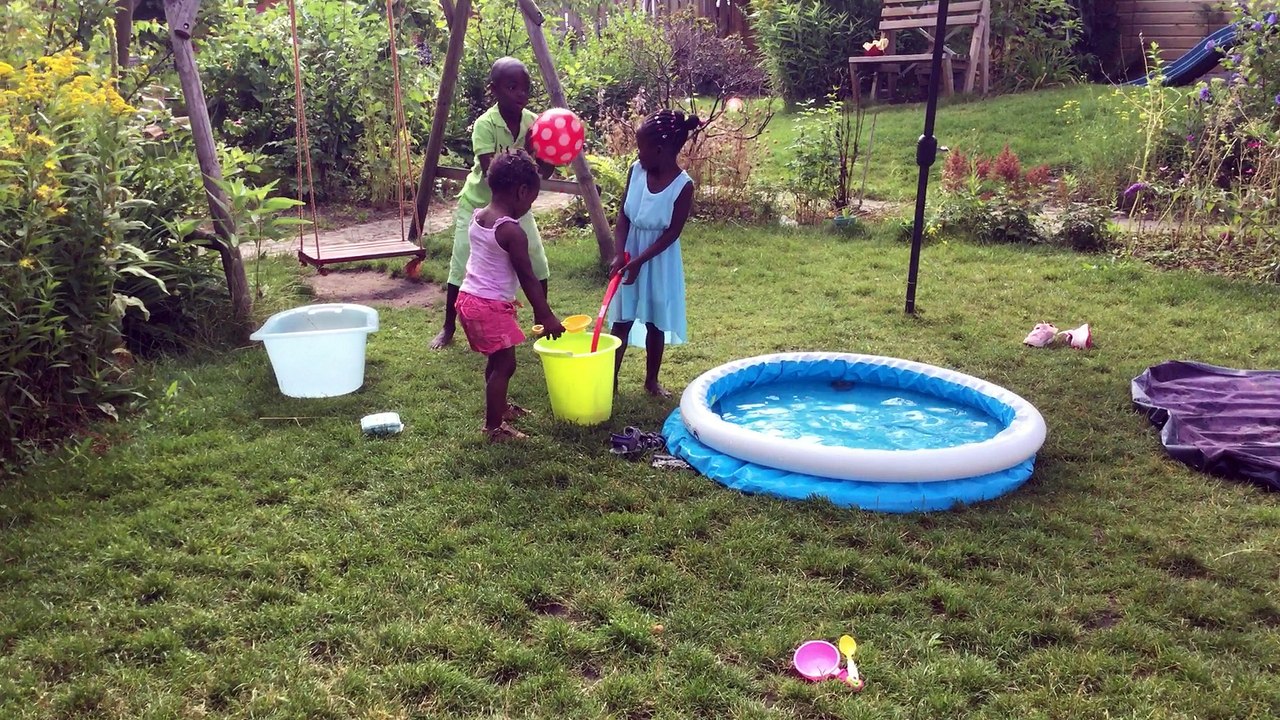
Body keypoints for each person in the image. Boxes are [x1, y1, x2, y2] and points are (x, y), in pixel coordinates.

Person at [432, 56, 553, 350]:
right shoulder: (485, 125)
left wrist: (550, 155)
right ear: (494, 90)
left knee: (537, 264)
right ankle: (448, 326)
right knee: (461, 265)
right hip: (480, 207)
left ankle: (542, 321)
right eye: (512, 87)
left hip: (516, 208)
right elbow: (492, 175)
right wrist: (527, 153)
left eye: (525, 88)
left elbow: (540, 175)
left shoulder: (535, 123)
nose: (520, 94)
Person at [456, 149, 565, 442]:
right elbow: (528, 277)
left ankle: (500, 408)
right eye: (532, 198)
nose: (531, 204)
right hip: (488, 305)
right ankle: (493, 427)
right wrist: (545, 315)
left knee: (496, 361)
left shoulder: (478, 217)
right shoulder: (511, 231)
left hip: (468, 299)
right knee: (506, 364)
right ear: (521, 191)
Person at [608, 109, 700, 397]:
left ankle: (651, 380)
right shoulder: (636, 171)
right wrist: (620, 253)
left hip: (659, 258)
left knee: (654, 322)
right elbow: (623, 215)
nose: (638, 154)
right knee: (620, 320)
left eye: (641, 148)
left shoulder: (683, 186)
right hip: (630, 252)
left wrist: (640, 261)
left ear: (660, 150)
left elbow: (672, 233)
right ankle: (608, 379)